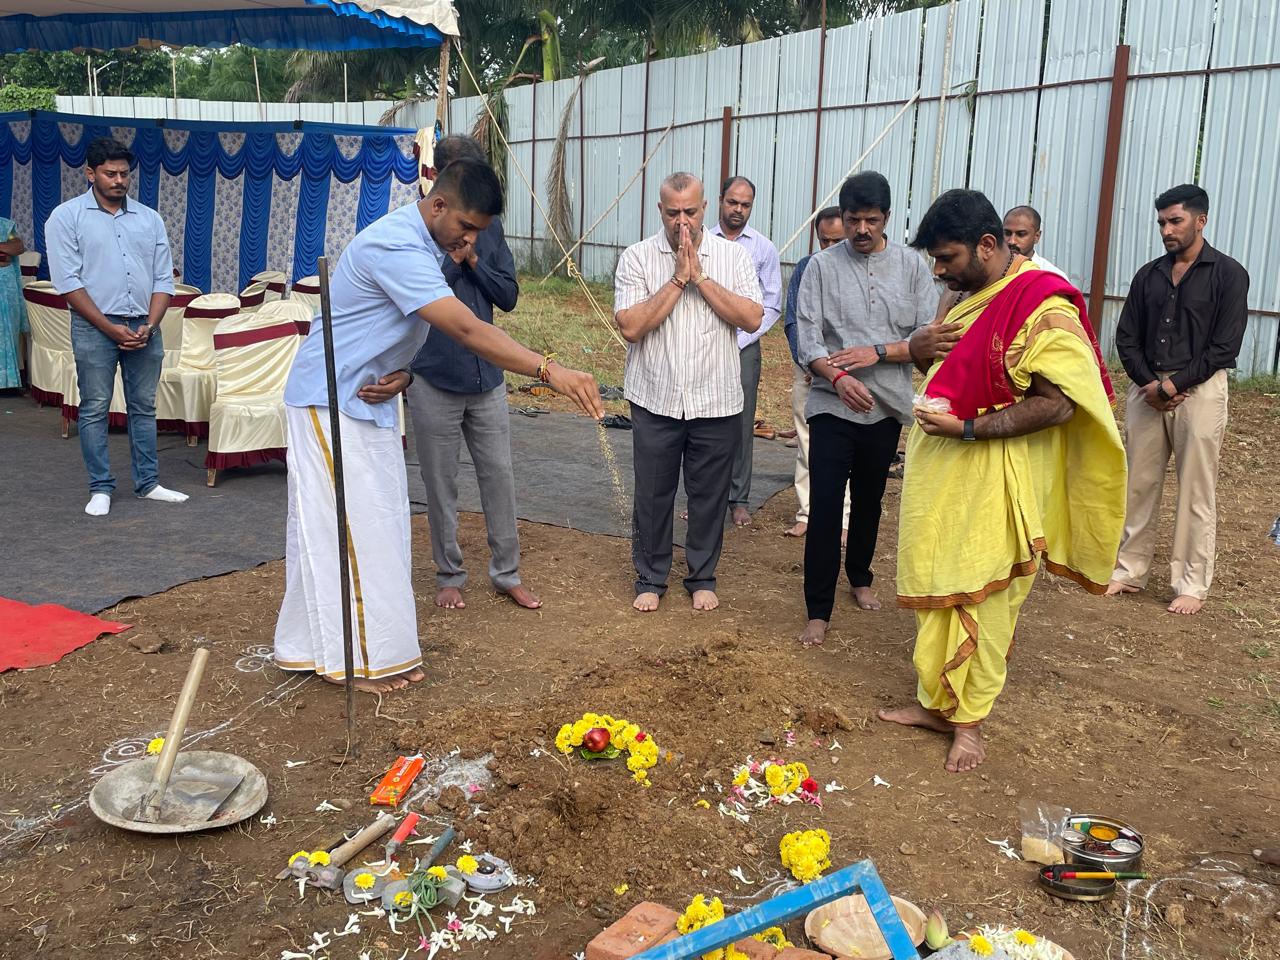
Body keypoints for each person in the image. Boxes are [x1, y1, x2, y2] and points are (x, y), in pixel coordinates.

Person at [274, 159, 602, 694]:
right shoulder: (398, 245)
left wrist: (403, 374)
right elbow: (465, 327)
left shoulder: (426, 246)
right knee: (349, 532)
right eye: (466, 228)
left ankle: (317, 647)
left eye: (479, 232)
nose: (469, 241)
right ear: (438, 204)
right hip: (327, 400)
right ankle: (356, 662)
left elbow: (389, 325)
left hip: (367, 399)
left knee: (376, 529)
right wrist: (549, 369)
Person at [878, 189, 1125, 773]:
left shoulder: (1043, 302)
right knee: (938, 582)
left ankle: (970, 723)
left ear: (988, 246)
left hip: (997, 473)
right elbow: (947, 368)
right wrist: (917, 349)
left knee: (986, 597)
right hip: (942, 470)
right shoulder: (968, 293)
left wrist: (966, 429)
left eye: (947, 259)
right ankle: (937, 705)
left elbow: (1059, 404)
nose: (939, 272)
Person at [794, 172, 939, 646]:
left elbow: (927, 340)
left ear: (888, 219)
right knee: (825, 505)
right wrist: (836, 376)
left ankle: (860, 575)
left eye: (871, 221)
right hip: (831, 405)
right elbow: (809, 337)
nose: (861, 230)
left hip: (887, 406)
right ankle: (818, 608)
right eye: (853, 219)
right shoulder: (820, 266)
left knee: (872, 498)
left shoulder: (913, 269)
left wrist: (876, 352)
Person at [615, 172, 763, 613]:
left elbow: (752, 317)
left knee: (708, 495)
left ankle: (702, 575)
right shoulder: (637, 257)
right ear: (659, 210)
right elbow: (631, 326)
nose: (684, 222)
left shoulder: (733, 258)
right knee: (653, 494)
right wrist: (678, 279)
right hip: (655, 397)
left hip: (715, 400)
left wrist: (700, 277)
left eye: (691, 212)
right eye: (673, 212)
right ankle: (650, 576)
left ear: (705, 209)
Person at [406, 136, 540, 613]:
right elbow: (417, 297)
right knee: (440, 484)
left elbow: (507, 295)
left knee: (499, 477)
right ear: (440, 177)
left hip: (487, 377)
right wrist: (450, 261)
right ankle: (449, 575)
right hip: (434, 374)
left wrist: (474, 260)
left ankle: (507, 574)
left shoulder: (491, 228)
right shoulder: (417, 229)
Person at [1106, 184, 1249, 616]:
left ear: (1200, 220)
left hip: (1199, 391)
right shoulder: (1148, 274)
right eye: (1162, 223)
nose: (1167, 230)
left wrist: (1174, 385)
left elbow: (1225, 346)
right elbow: (1126, 337)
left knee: (1195, 489)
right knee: (1138, 483)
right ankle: (1129, 570)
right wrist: (1150, 383)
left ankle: (1190, 582)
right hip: (1147, 391)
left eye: (1176, 221)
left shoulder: (1229, 274)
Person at [45, 137, 187, 517]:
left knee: (144, 407)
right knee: (94, 408)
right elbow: (69, 283)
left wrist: (151, 325)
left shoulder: (149, 218)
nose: (119, 180)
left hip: (144, 327)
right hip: (94, 328)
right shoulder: (66, 217)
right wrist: (110, 328)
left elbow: (163, 280)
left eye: (124, 173)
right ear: (90, 173)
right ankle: (101, 487)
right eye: (110, 173)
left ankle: (148, 483)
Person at [709, 176, 781, 526]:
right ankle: (705, 497)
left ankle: (739, 499)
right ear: (720, 200)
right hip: (704, 346)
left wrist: (740, 339)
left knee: (740, 422)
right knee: (702, 421)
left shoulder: (763, 249)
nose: (738, 210)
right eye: (732, 202)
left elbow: (771, 305)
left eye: (745, 204)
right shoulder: (701, 242)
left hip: (743, 347)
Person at [782, 207, 849, 540]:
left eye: (837, 240)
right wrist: (810, 362)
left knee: (848, 446)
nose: (830, 246)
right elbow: (793, 321)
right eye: (824, 240)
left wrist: (838, 366)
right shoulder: (806, 268)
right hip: (809, 372)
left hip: (852, 372)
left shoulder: (862, 271)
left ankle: (845, 520)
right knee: (808, 443)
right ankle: (807, 513)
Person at [1002, 206, 1067, 279]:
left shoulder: (1053, 277)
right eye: (1007, 233)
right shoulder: (991, 270)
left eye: (1021, 234)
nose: (1012, 241)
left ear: (1037, 236)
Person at [0, 215, 27, 391]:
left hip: (5, 286)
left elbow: (17, 246)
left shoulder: (4, 225)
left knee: (7, 329)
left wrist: (6, 251)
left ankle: (7, 383)